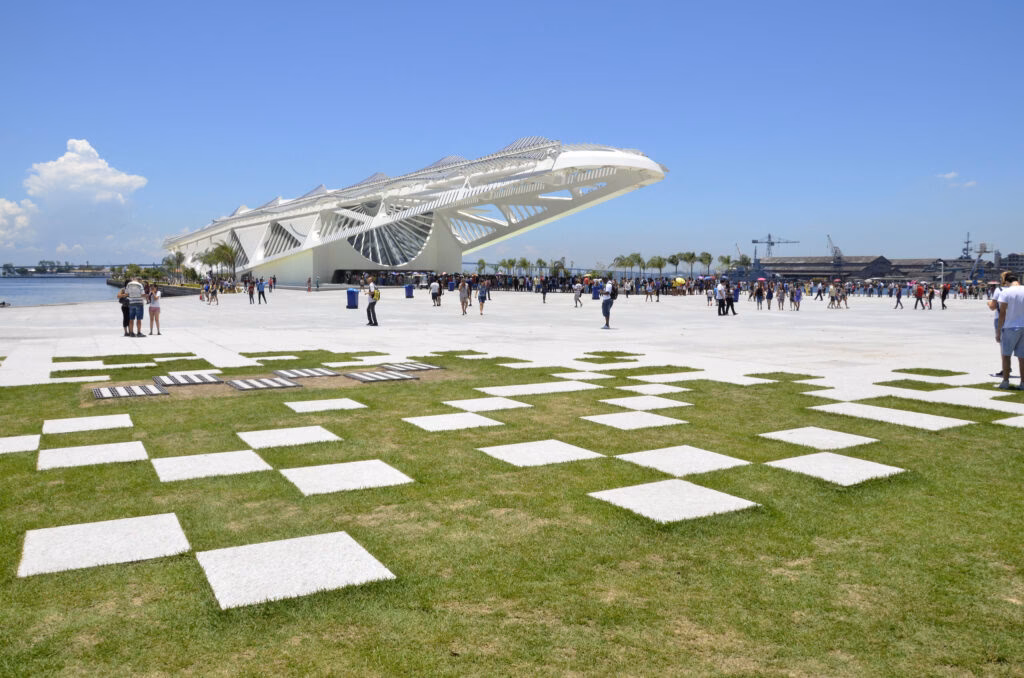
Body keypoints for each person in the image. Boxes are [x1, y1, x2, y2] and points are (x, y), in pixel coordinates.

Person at [996, 272, 1024, 390]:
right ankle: (1023, 383)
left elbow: (1002, 313)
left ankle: (1005, 381)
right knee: (1022, 357)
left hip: (1010, 326)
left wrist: (998, 331)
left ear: (1007, 282)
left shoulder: (1006, 292)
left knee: (1006, 355)